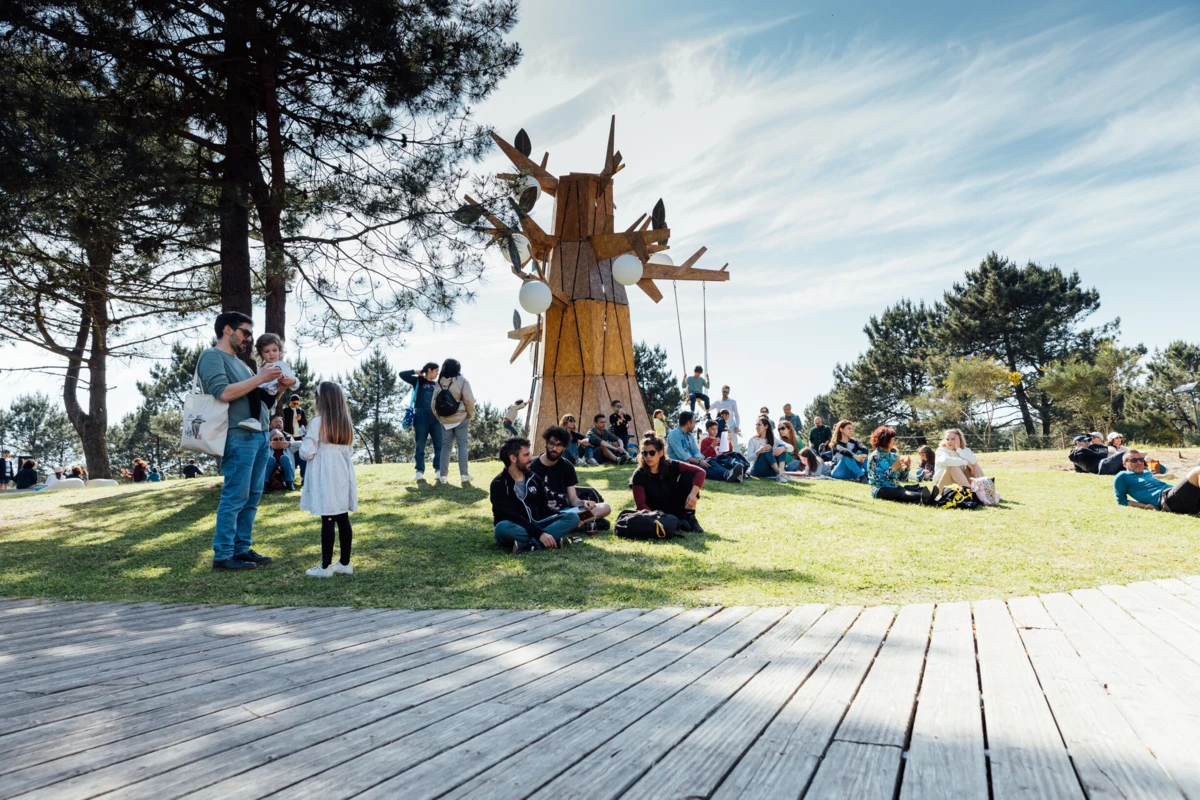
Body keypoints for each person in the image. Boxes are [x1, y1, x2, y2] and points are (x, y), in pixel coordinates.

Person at [196, 310, 286, 571]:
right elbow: (223, 393)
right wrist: (259, 378)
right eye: (245, 332)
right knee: (235, 496)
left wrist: (279, 387)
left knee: (252, 496)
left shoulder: (244, 365)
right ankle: (223, 555)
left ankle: (242, 548)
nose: (249, 338)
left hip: (259, 436)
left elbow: (263, 403)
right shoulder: (212, 356)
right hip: (237, 436)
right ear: (227, 330)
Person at [300, 381, 359, 577]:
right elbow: (348, 449)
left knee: (328, 517)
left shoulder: (318, 422)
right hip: (342, 472)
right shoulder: (346, 423)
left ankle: (325, 566)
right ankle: (345, 562)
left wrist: (301, 445)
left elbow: (307, 452)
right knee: (342, 517)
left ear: (321, 400)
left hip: (326, 475)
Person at [491, 437, 587, 553]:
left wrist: (558, 516)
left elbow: (544, 508)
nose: (531, 458)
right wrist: (540, 533)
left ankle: (530, 545)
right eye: (526, 455)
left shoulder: (534, 478)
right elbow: (511, 516)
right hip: (516, 526)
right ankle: (550, 539)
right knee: (502, 527)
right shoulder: (499, 484)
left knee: (572, 517)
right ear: (513, 458)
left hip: (538, 523)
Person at [529, 426, 612, 532]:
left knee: (605, 507)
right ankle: (575, 524)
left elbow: (573, 499)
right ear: (545, 443)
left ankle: (569, 524)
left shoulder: (567, 467)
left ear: (564, 447)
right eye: (551, 443)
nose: (554, 448)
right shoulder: (532, 467)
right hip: (544, 515)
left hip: (567, 513)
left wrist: (584, 503)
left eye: (559, 445)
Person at [630, 432, 706, 532]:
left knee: (688, 475)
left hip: (674, 505)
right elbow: (641, 505)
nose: (648, 456)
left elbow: (700, 472)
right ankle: (676, 523)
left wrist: (693, 494)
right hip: (654, 513)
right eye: (644, 453)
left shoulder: (671, 464)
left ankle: (690, 518)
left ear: (661, 452)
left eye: (652, 453)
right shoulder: (639, 475)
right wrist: (659, 518)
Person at [239, 333, 296, 433]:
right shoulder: (262, 367)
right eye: (267, 351)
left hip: (270, 396)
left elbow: (293, 380)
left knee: (254, 388)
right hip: (262, 396)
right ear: (261, 354)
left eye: (275, 350)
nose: (271, 354)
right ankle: (254, 418)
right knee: (252, 389)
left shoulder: (282, 365)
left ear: (280, 351)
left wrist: (292, 381)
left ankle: (255, 420)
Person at [433, 358, 476, 485]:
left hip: (444, 420)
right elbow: (469, 400)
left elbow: (433, 404)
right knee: (462, 445)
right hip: (461, 418)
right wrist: (470, 414)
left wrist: (439, 418)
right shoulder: (462, 381)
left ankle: (443, 477)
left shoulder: (439, 383)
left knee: (446, 447)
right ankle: (464, 475)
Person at [1115, 450, 1200, 514]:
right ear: (1124, 464)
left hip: (1182, 498)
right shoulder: (1123, 476)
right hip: (1167, 500)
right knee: (1197, 471)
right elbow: (1121, 500)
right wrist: (1144, 506)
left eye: (1141, 459)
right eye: (1134, 460)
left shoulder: (1146, 472)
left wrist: (1164, 475)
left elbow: (1162, 470)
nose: (1139, 462)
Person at [668, 411, 744, 483]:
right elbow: (682, 455)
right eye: (693, 422)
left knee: (710, 461)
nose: (694, 425)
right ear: (688, 423)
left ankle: (728, 474)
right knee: (702, 470)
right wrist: (698, 462)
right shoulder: (674, 434)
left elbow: (695, 450)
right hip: (680, 464)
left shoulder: (690, 435)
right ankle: (729, 475)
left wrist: (699, 459)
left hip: (692, 461)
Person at [867, 426, 933, 505]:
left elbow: (902, 478)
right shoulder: (874, 457)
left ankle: (927, 498)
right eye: (892, 439)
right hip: (880, 489)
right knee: (900, 492)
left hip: (895, 487)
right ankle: (928, 497)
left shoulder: (893, 456)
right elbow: (876, 479)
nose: (894, 441)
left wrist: (907, 468)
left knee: (913, 489)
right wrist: (893, 468)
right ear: (885, 440)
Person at [400, 362, 442, 481]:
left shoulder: (437, 384)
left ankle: (438, 470)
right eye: (436, 371)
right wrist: (415, 371)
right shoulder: (418, 381)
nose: (437, 374)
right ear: (429, 370)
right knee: (420, 445)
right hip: (421, 416)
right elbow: (401, 374)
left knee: (439, 445)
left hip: (435, 417)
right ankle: (419, 471)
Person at [746, 416, 792, 482]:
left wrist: (783, 448)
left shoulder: (773, 439)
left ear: (766, 426)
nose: (757, 427)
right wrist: (759, 451)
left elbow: (791, 447)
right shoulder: (753, 440)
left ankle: (781, 472)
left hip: (770, 471)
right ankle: (780, 474)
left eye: (759, 425)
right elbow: (749, 459)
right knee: (768, 447)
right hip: (757, 470)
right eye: (756, 425)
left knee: (781, 446)